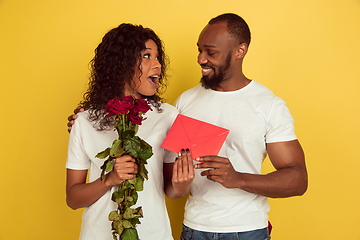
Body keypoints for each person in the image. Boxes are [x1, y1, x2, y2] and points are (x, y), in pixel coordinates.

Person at [68, 13, 308, 240]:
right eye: (200, 50)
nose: (200, 59)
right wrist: (90, 119)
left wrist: (239, 179)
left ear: (240, 51)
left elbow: (298, 179)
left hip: (247, 229)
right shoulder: (182, 105)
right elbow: (170, 183)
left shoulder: (268, 105)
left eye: (210, 52)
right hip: (194, 229)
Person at [66, 23, 193, 240]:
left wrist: (182, 186)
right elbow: (73, 198)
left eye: (157, 57)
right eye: (146, 56)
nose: (158, 64)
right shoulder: (85, 121)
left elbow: (170, 190)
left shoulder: (169, 116)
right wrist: (109, 179)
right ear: (121, 63)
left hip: (154, 234)